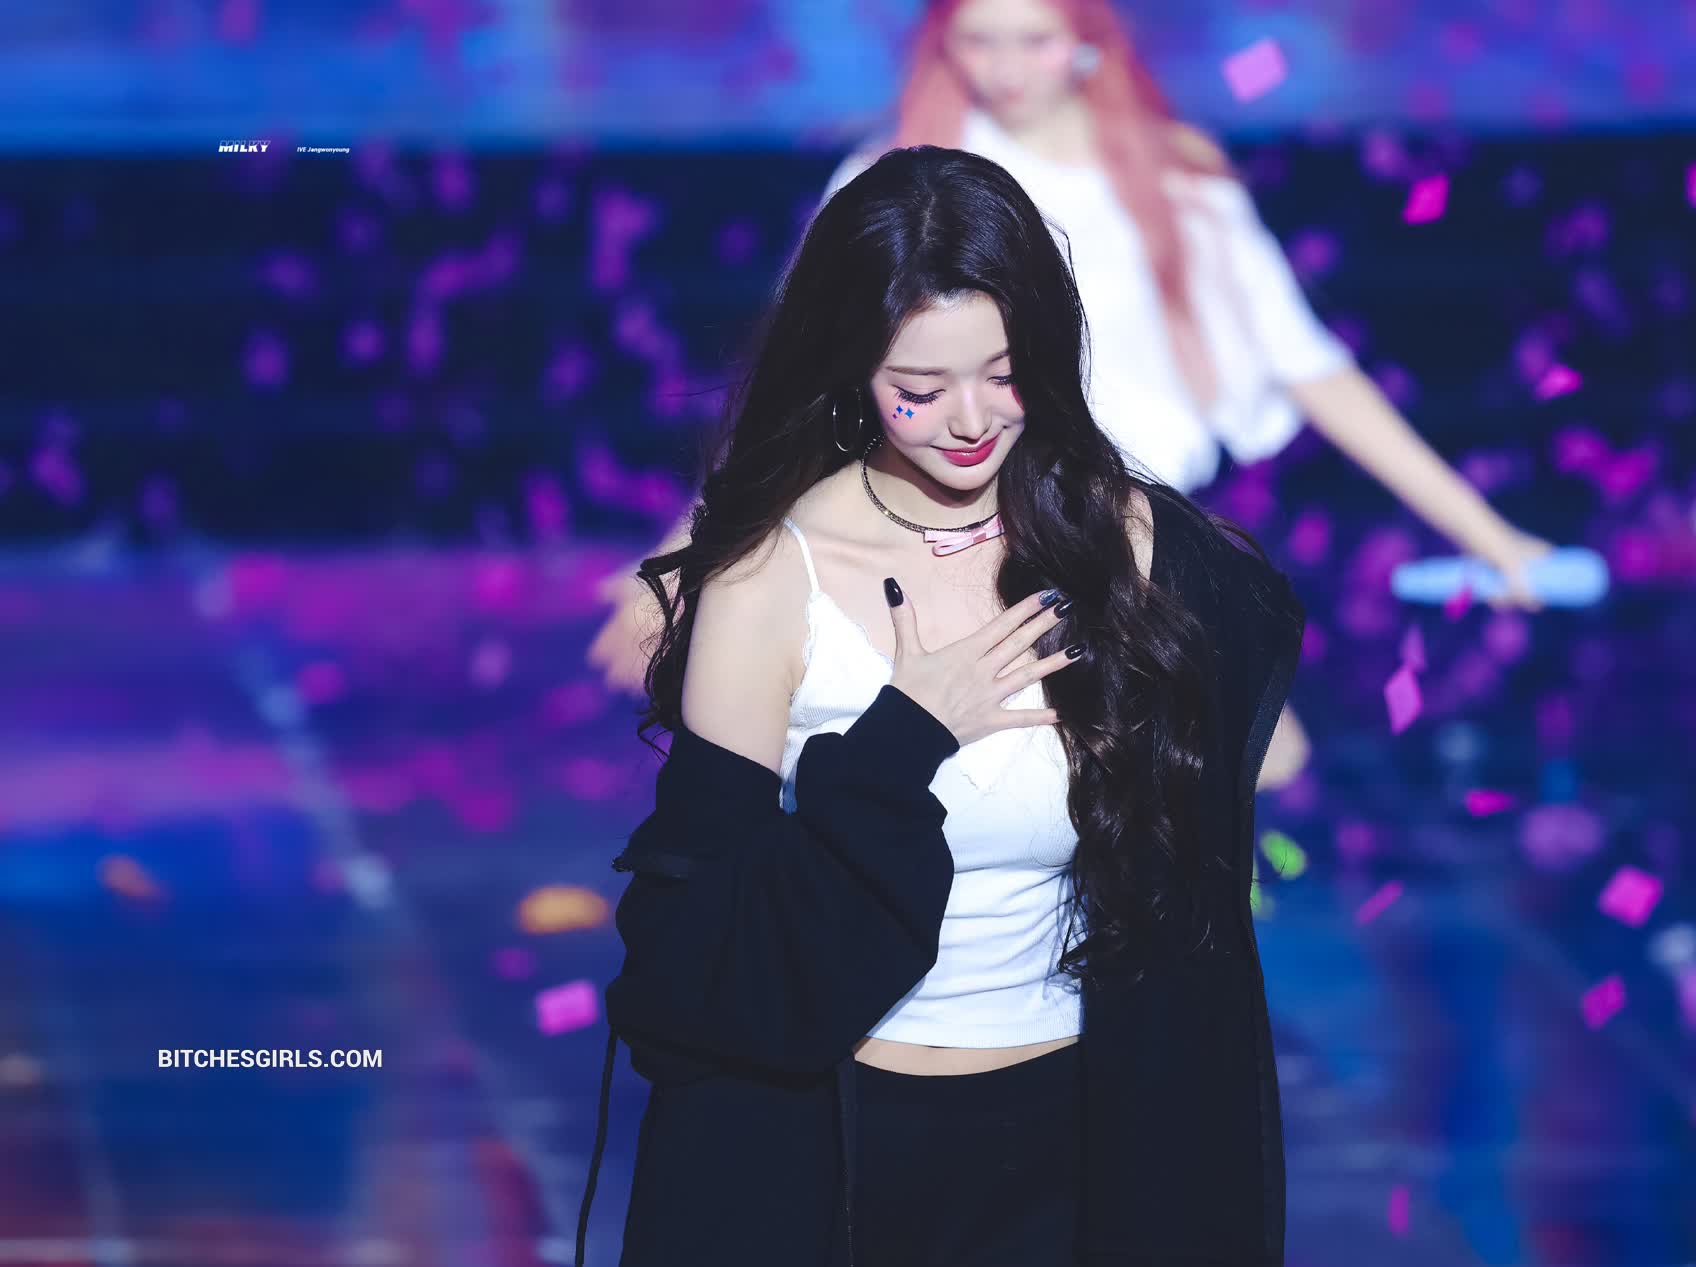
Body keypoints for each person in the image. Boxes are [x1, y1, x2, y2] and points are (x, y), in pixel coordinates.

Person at [574, 145, 1305, 1266]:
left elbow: (1194, 878)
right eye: (917, 391)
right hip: (841, 1151)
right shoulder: (773, 578)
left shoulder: (1128, 545)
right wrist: (900, 739)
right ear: (853, 370)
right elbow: (690, 955)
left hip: (1082, 1141)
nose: (969, 421)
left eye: (1003, 375)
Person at [588, 0, 1554, 789]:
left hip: (1120, 530)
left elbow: (1314, 372)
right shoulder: (896, 179)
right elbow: (797, 384)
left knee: (1238, 758)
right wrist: (688, 550)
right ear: (943, 40)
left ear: (1090, 38)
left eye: (1035, 38)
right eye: (981, 39)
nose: (1007, 67)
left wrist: (1489, 535)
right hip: (947, 523)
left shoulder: (1175, 182)